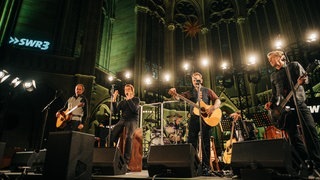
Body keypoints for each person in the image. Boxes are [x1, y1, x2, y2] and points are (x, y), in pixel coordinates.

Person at [264, 50, 320, 175]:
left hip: (299, 104)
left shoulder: (293, 65)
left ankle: (317, 162)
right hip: (285, 111)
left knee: (310, 132)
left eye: (271, 58)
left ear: (280, 57)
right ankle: (305, 161)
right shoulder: (273, 75)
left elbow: (306, 80)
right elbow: (275, 94)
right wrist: (271, 103)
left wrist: (301, 82)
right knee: (293, 137)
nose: (269, 61)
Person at [168, 72, 221, 174]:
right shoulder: (190, 93)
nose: (195, 82)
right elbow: (179, 97)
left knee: (206, 143)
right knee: (192, 142)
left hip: (206, 120)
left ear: (201, 80)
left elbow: (218, 100)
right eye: (193, 80)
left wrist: (213, 108)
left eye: (197, 79)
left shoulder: (207, 91)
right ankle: (193, 165)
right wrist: (175, 94)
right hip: (194, 119)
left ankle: (206, 167)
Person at [109, 84, 140, 169]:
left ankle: (126, 162)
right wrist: (114, 100)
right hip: (123, 120)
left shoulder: (136, 99)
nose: (126, 91)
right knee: (111, 135)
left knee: (128, 137)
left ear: (132, 91)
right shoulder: (123, 102)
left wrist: (129, 99)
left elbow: (134, 109)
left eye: (128, 89)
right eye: (125, 89)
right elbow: (115, 111)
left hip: (132, 120)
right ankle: (111, 157)